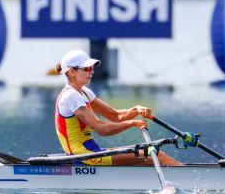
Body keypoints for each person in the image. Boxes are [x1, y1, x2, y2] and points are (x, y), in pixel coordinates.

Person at [53, 49, 181, 166]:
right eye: (87, 68)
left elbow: (115, 116)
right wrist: (133, 123)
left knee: (156, 157)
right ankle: (191, 185)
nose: (92, 71)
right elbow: (102, 129)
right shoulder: (70, 96)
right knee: (158, 157)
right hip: (84, 156)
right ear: (72, 71)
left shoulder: (84, 92)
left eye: (92, 67)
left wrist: (136, 110)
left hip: (93, 152)